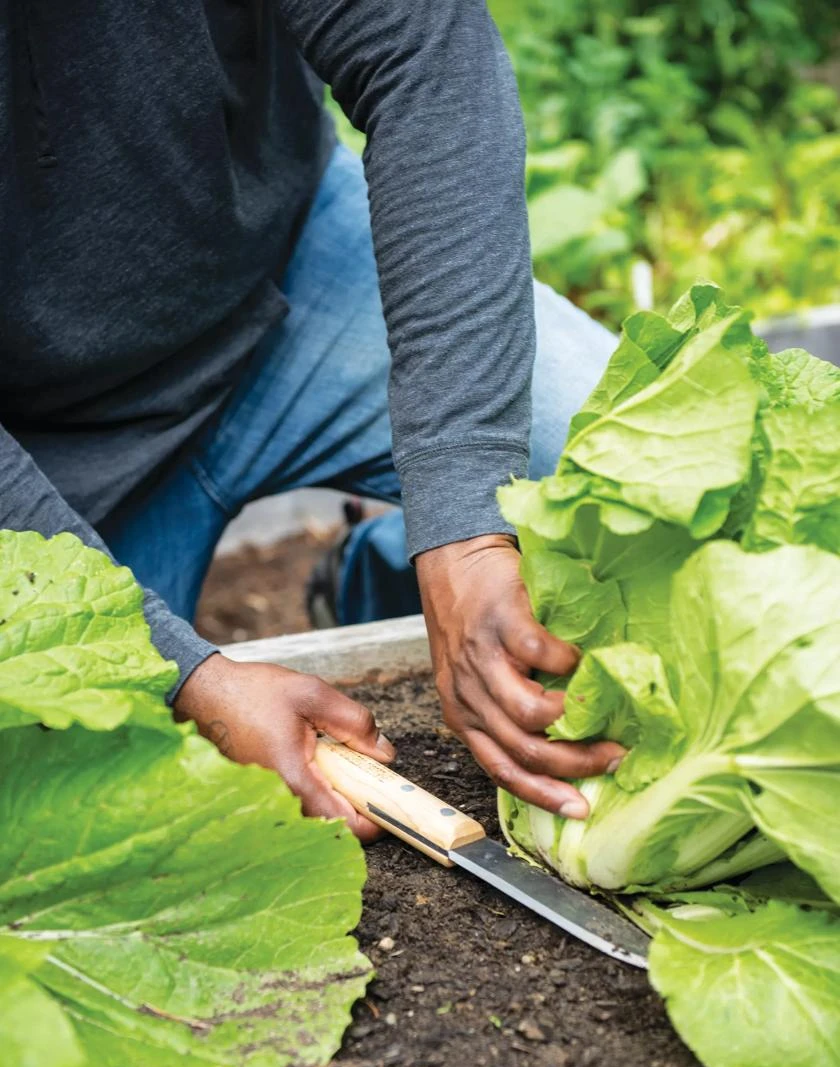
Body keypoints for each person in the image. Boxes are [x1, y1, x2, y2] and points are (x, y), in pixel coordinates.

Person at [1, 2, 624, 841]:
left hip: (286, 266)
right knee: (59, 826)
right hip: (45, 450)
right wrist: (184, 676)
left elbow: (424, 52)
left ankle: (384, 572)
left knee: (630, 495)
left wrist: (466, 522)